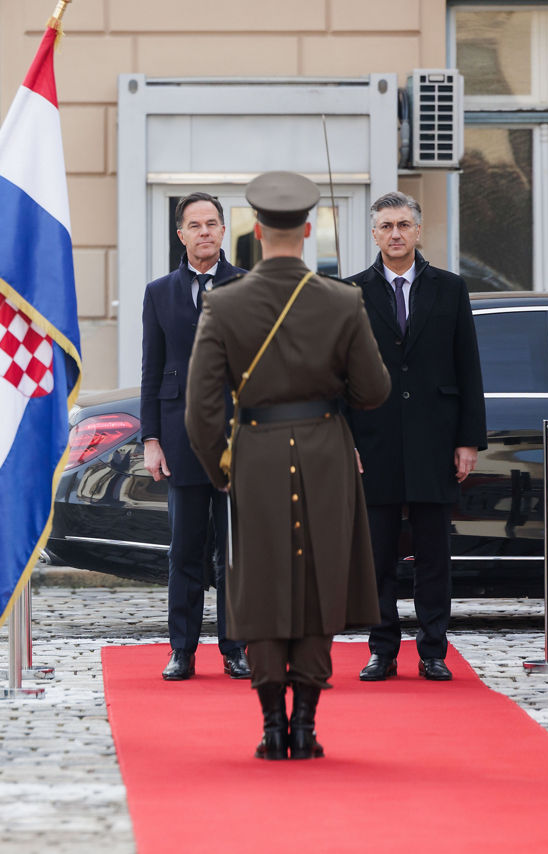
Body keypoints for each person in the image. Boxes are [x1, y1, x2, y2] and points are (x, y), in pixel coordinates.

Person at [185, 171, 389, 760]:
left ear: (254, 230)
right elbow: (373, 390)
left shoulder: (223, 303)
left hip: (256, 455)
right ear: (306, 229)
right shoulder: (343, 300)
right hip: (326, 452)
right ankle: (305, 725)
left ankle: (273, 727)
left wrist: (224, 471)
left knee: (263, 583)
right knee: (320, 583)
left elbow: (201, 411)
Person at [345, 192, 486, 682]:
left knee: (433, 555)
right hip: (374, 440)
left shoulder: (450, 288)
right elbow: (337, 374)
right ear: (374, 234)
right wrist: (346, 440)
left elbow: (468, 366)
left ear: (418, 231)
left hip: (435, 440)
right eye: (386, 226)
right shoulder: (351, 293)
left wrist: (468, 440)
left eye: (403, 224)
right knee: (377, 556)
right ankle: (382, 650)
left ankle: (433, 651)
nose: (396, 234)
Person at [140, 192, 249, 681]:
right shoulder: (159, 292)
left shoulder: (247, 287)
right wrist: (151, 439)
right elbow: (151, 370)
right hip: (180, 437)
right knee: (184, 549)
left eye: (212, 223)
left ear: (223, 230)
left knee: (235, 552)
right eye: (195, 225)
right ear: (181, 234)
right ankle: (181, 650)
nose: (205, 232)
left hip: (236, 438)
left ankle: (235, 648)